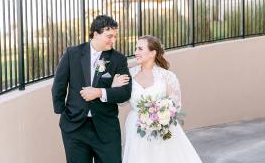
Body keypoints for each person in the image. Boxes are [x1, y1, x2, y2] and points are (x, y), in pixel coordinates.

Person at [51, 15, 132, 163]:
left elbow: (125, 93)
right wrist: (63, 113)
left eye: (115, 36)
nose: (113, 40)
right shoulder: (72, 53)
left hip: (106, 129)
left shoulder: (118, 59)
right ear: (95, 34)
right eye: (109, 36)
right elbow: (58, 86)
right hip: (75, 128)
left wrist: (100, 92)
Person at [112, 35, 202, 163]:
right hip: (136, 127)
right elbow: (121, 102)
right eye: (135, 48)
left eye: (140, 49)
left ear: (152, 53)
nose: (136, 52)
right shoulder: (129, 75)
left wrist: (160, 116)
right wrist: (115, 87)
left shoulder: (167, 76)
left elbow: (175, 105)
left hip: (162, 129)